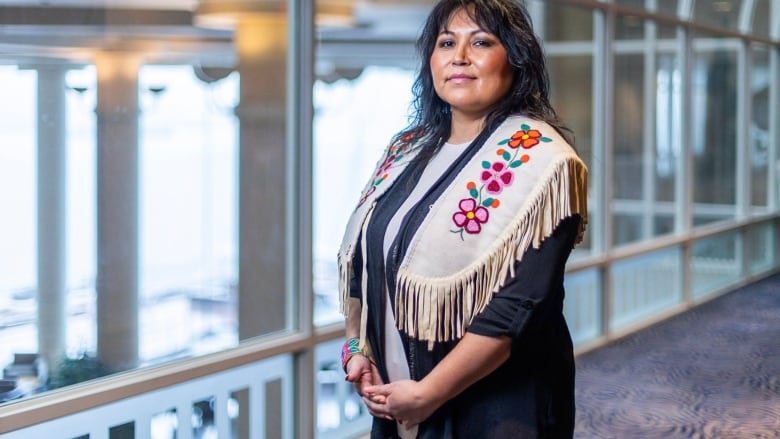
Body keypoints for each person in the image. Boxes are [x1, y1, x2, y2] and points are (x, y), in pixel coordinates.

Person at [338, 0, 588, 437]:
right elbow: (363, 263)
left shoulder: (543, 164)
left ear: (514, 58)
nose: (460, 56)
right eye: (447, 42)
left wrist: (429, 394)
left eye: (482, 42)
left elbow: (514, 310)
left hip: (494, 411)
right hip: (400, 399)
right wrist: (358, 350)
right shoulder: (407, 150)